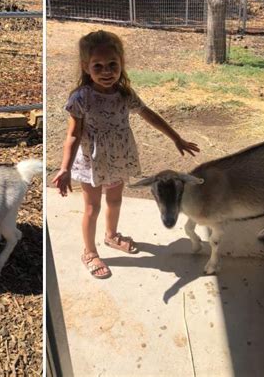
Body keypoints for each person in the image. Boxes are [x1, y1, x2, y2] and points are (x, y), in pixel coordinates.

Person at [52, 30, 199, 279]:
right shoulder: (81, 98)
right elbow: (73, 135)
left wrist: (176, 138)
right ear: (85, 67)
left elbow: (149, 115)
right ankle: (89, 251)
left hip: (119, 157)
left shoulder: (125, 94)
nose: (107, 71)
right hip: (92, 162)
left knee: (115, 201)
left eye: (113, 65)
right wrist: (64, 168)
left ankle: (111, 235)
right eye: (98, 66)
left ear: (121, 64)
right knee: (92, 207)